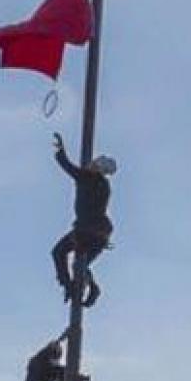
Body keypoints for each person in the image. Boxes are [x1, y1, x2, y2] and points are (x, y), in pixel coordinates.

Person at [50, 132, 116, 308]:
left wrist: (60, 151)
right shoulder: (104, 186)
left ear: (97, 168)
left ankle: (69, 286)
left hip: (86, 230)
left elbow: (68, 167)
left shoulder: (88, 178)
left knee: (59, 252)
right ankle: (90, 285)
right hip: (101, 234)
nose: (90, 164)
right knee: (80, 264)